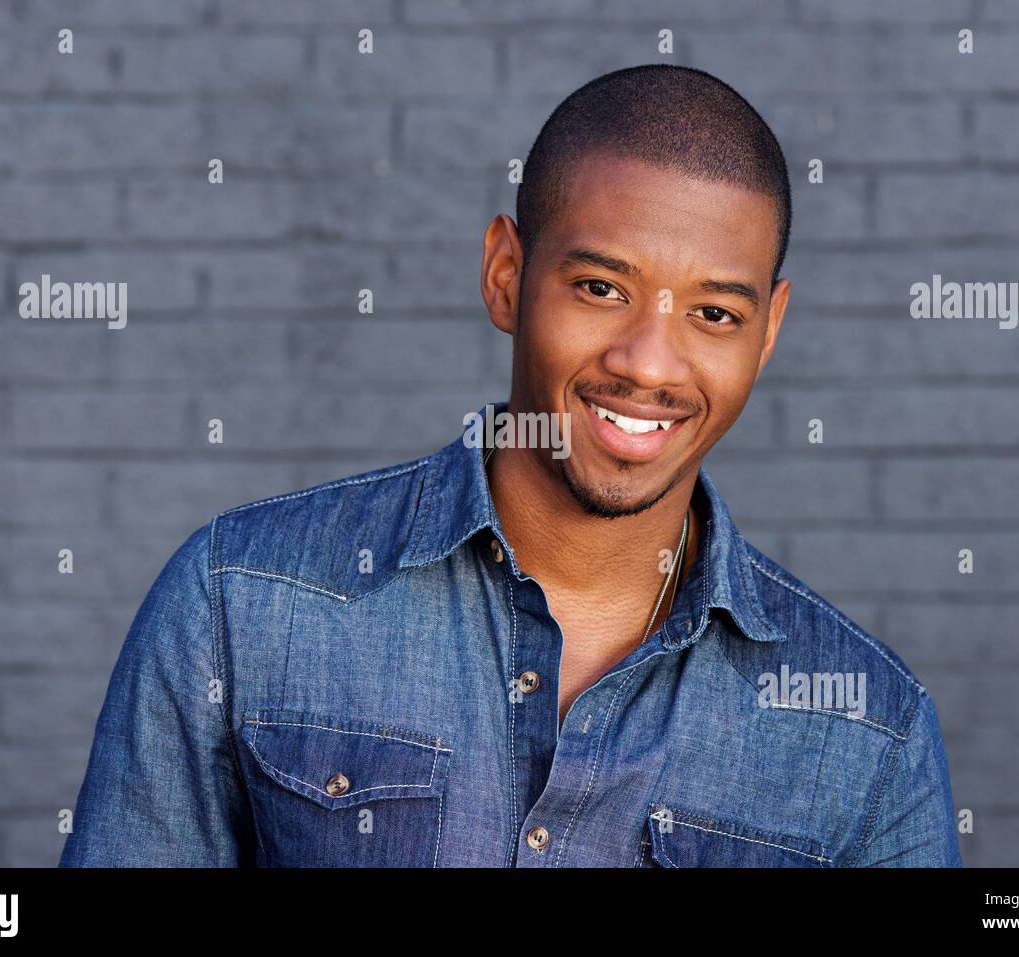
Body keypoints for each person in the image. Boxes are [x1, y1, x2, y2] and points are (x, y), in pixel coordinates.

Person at [61, 64, 961, 867]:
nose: (649, 363)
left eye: (714, 314)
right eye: (601, 288)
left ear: (767, 332)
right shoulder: (241, 601)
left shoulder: (870, 734)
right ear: (505, 275)